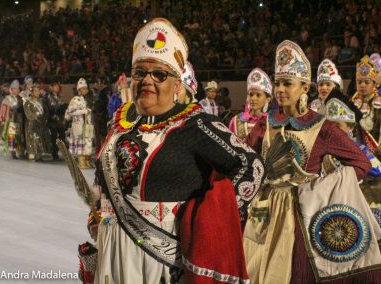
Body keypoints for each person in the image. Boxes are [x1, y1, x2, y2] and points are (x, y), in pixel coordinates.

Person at [85, 18, 265, 283]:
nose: (147, 80)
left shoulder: (195, 123)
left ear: (177, 84)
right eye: (139, 73)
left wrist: (205, 219)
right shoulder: (121, 120)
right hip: (113, 249)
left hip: (163, 261)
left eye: (159, 74)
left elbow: (253, 167)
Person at [244, 40, 381, 283]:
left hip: (302, 218)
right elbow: (247, 162)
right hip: (263, 217)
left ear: (304, 87)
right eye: (277, 83)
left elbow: (361, 163)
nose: (280, 90)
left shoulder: (323, 128)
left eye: (287, 84)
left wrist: (321, 190)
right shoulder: (264, 124)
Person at [324, 89, 381, 243]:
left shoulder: (361, 152)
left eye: (337, 125)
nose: (333, 131)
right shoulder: (320, 149)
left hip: (354, 215)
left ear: (351, 127)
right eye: (329, 125)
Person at [351, 56, 381, 165]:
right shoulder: (349, 106)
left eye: (367, 82)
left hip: (377, 161)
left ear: (374, 84)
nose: (362, 85)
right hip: (354, 160)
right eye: (359, 82)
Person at [229, 68, 272, 141]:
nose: (253, 98)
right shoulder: (236, 121)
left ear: (267, 100)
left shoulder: (272, 122)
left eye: (258, 95)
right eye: (251, 94)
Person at [65, 78, 94, 169]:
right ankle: (81, 161)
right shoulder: (75, 99)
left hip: (88, 125)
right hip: (79, 125)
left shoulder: (89, 99)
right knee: (80, 142)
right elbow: (70, 112)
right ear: (79, 90)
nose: (85, 90)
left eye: (86, 88)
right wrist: (83, 111)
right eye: (83, 88)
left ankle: (87, 160)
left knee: (88, 142)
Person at [0, 80, 25, 158]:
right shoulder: (7, 99)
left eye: (18, 88)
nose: (17, 90)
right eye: (15, 88)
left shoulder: (21, 98)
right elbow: (3, 110)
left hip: (20, 119)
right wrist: (3, 119)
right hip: (11, 120)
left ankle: (20, 151)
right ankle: (13, 151)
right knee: (11, 136)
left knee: (19, 136)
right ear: (12, 89)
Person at [23, 84, 50, 161]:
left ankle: (39, 154)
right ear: (31, 92)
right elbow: (28, 113)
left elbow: (45, 111)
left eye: (38, 91)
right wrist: (35, 116)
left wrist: (44, 118)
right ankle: (32, 154)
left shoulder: (41, 100)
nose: (37, 92)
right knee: (31, 138)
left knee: (39, 138)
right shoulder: (27, 101)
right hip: (32, 123)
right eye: (35, 91)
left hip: (40, 123)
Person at [43, 80, 66, 161]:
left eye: (57, 86)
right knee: (54, 136)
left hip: (59, 119)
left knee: (62, 136)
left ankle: (61, 151)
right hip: (51, 120)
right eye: (55, 86)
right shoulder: (47, 97)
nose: (57, 87)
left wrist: (62, 115)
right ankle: (54, 152)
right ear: (51, 87)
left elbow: (63, 108)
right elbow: (47, 109)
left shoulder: (60, 96)